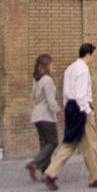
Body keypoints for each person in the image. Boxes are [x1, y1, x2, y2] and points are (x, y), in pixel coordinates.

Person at [42, 43, 97, 190]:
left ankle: (50, 173)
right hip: (81, 109)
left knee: (70, 143)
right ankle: (94, 178)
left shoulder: (70, 68)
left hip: (71, 107)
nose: (93, 58)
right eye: (93, 55)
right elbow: (80, 95)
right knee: (90, 145)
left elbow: (66, 93)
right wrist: (88, 111)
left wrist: (68, 109)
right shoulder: (83, 70)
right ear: (88, 54)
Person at [26, 54, 60, 182]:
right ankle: (34, 164)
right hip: (46, 116)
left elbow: (34, 98)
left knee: (44, 144)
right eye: (51, 64)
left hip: (36, 116)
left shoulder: (36, 79)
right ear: (46, 66)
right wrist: (59, 111)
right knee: (53, 142)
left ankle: (46, 173)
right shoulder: (47, 80)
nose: (53, 66)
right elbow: (51, 101)